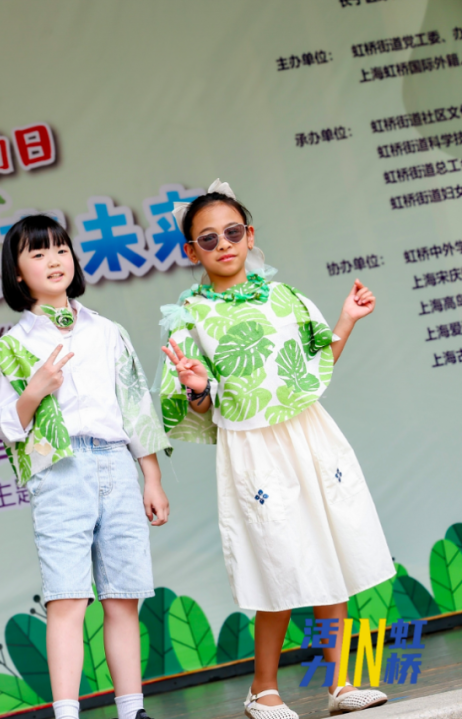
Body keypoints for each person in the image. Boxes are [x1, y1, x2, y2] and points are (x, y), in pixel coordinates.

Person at [158, 180, 395, 718]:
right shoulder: (189, 315)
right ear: (191, 250)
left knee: (328, 550)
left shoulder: (285, 297)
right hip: (253, 448)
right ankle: (262, 690)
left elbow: (315, 365)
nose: (223, 244)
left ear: (250, 235)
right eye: (208, 238)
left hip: (308, 433)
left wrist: (346, 319)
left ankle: (339, 684)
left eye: (232, 232)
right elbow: (199, 406)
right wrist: (197, 386)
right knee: (278, 563)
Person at [0, 215, 170, 719]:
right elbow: (7, 425)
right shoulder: (13, 344)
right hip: (60, 472)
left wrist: (151, 478)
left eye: (61, 249)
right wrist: (35, 390)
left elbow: (135, 406)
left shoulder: (107, 331)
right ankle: (66, 714)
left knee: (123, 596)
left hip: (117, 464)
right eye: (38, 253)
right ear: (17, 273)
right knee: (67, 598)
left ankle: (132, 710)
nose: (54, 260)